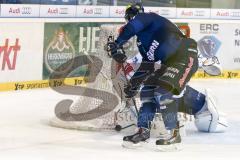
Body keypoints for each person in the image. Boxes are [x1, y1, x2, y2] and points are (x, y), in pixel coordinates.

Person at [107, 2, 227, 150]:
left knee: (163, 91)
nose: (130, 19)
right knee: (147, 92)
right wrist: (134, 84)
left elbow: (132, 26)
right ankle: (142, 132)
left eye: (131, 17)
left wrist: (118, 43)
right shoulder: (141, 42)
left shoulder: (147, 18)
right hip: (168, 63)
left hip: (185, 54)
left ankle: (174, 134)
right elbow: (148, 64)